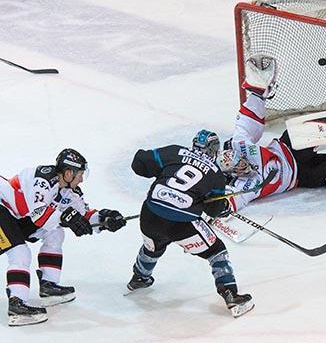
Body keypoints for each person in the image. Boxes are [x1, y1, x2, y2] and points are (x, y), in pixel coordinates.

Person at [216, 54, 326, 212]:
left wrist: (258, 94)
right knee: (317, 174)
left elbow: (246, 123)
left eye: (241, 161)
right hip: (298, 176)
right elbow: (236, 198)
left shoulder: (241, 145)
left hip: (289, 149)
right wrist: (222, 206)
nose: (245, 164)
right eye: (240, 167)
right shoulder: (244, 185)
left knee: (299, 135)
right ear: (232, 173)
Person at [127, 129, 254, 318]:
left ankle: (139, 277)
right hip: (181, 223)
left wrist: (163, 173)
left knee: (154, 243)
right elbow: (213, 210)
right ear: (213, 151)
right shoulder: (216, 174)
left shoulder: (175, 151)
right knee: (216, 251)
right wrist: (221, 205)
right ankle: (231, 294)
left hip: (150, 214)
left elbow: (139, 163)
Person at [0, 148, 127, 326]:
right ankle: (16, 305)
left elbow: (83, 217)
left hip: (16, 218)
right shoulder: (43, 179)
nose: (82, 179)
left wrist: (106, 219)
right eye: (80, 174)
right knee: (20, 253)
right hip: (2, 209)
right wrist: (66, 217)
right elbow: (39, 215)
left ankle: (48, 286)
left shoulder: (69, 192)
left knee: (55, 232)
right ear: (68, 173)